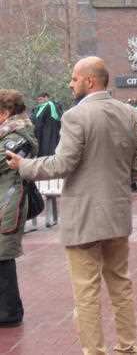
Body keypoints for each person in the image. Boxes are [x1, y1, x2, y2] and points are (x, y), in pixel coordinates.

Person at [5, 57, 137, 355]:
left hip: (83, 218)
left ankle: (95, 352)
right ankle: (128, 349)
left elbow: (62, 164)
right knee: (121, 286)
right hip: (118, 215)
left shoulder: (75, 116)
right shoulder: (130, 113)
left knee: (86, 293)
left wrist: (24, 165)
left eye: (73, 78)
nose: (70, 83)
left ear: (89, 81)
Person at [0, 90, 37, 327]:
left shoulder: (19, 135)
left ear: (5, 113)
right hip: (4, 200)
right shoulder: (7, 133)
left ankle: (9, 313)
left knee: (3, 256)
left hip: (9, 203)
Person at [32, 92, 61, 156]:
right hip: (40, 133)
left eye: (41, 99)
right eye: (38, 100)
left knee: (48, 150)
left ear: (46, 98)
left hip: (49, 133)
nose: (39, 101)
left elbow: (57, 118)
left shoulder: (50, 105)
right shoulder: (39, 107)